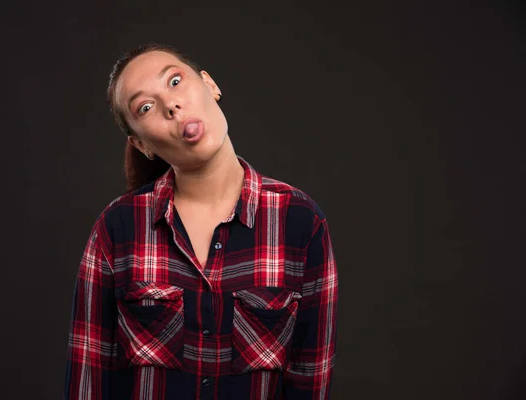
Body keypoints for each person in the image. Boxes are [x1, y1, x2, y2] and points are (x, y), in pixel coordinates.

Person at [63, 42, 338, 400]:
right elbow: (88, 379)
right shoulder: (118, 228)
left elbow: (310, 381)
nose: (171, 106)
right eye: (146, 107)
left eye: (175, 82)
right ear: (142, 144)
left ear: (210, 85)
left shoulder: (301, 221)